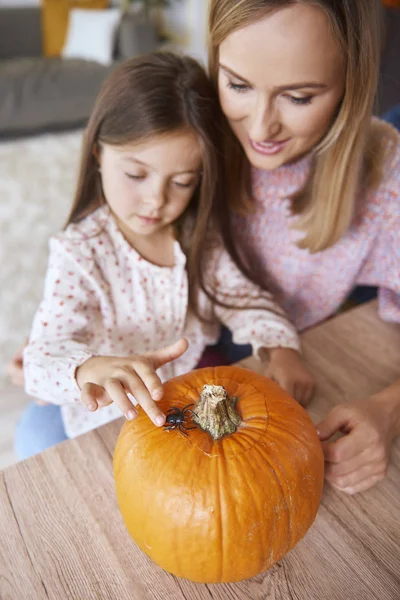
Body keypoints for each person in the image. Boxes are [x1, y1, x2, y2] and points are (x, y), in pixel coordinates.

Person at [12, 52, 314, 460]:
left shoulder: (198, 238)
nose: (157, 200)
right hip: (108, 418)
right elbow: (42, 357)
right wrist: (87, 369)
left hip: (187, 403)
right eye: (136, 174)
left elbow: (246, 301)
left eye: (183, 182)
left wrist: (282, 349)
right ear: (99, 152)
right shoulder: (79, 253)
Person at [208, 0, 400, 495]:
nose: (259, 128)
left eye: (297, 97)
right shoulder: (191, 127)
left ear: (350, 86)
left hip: (309, 352)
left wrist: (387, 411)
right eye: (238, 85)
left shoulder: (383, 173)